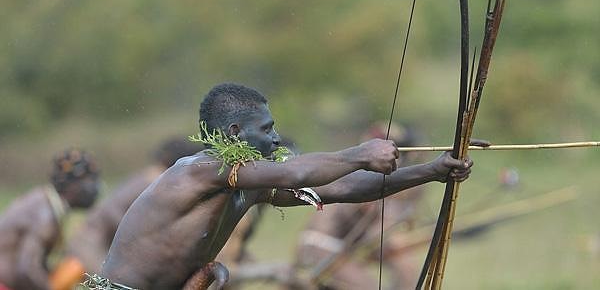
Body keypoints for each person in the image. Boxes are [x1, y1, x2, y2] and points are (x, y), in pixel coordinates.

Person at [97, 83, 473, 290]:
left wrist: (434, 170)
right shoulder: (202, 168)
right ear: (234, 133)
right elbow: (296, 174)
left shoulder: (249, 182)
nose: (276, 139)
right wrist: (361, 152)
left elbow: (344, 189)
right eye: (266, 129)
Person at [50, 139, 204, 290]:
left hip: (89, 243)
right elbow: (114, 215)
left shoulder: (150, 176)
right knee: (112, 287)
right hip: (88, 245)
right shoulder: (155, 179)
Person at [293, 122, 425, 290]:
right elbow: (375, 234)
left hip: (347, 248)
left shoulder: (380, 179)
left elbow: (375, 237)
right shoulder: (362, 175)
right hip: (322, 248)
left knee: (405, 265)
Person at [0, 148, 101, 290]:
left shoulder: (47, 203)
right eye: (90, 180)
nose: (96, 187)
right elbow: (27, 270)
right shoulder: (45, 214)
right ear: (72, 184)